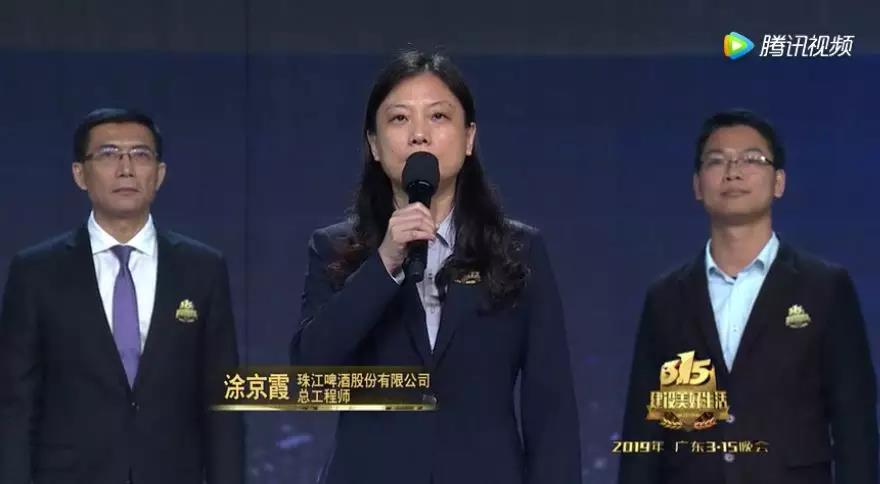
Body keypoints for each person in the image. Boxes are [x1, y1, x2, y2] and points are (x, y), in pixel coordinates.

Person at [289, 50, 581, 484]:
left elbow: (551, 408)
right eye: (399, 119)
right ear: (374, 144)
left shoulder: (518, 250)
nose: (419, 135)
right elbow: (310, 375)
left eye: (439, 116)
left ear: (469, 138)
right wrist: (385, 262)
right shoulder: (334, 248)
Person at [618, 109, 877, 484]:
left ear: (779, 182)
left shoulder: (825, 287)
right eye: (717, 161)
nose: (733, 172)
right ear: (697, 185)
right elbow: (644, 434)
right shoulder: (666, 297)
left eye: (751, 159)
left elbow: (856, 431)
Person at [0, 108, 244, 484]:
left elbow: (222, 404)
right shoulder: (35, 272)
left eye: (140, 155)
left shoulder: (202, 269)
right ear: (80, 174)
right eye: (109, 154)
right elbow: (15, 406)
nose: (126, 168)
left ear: (159, 174)